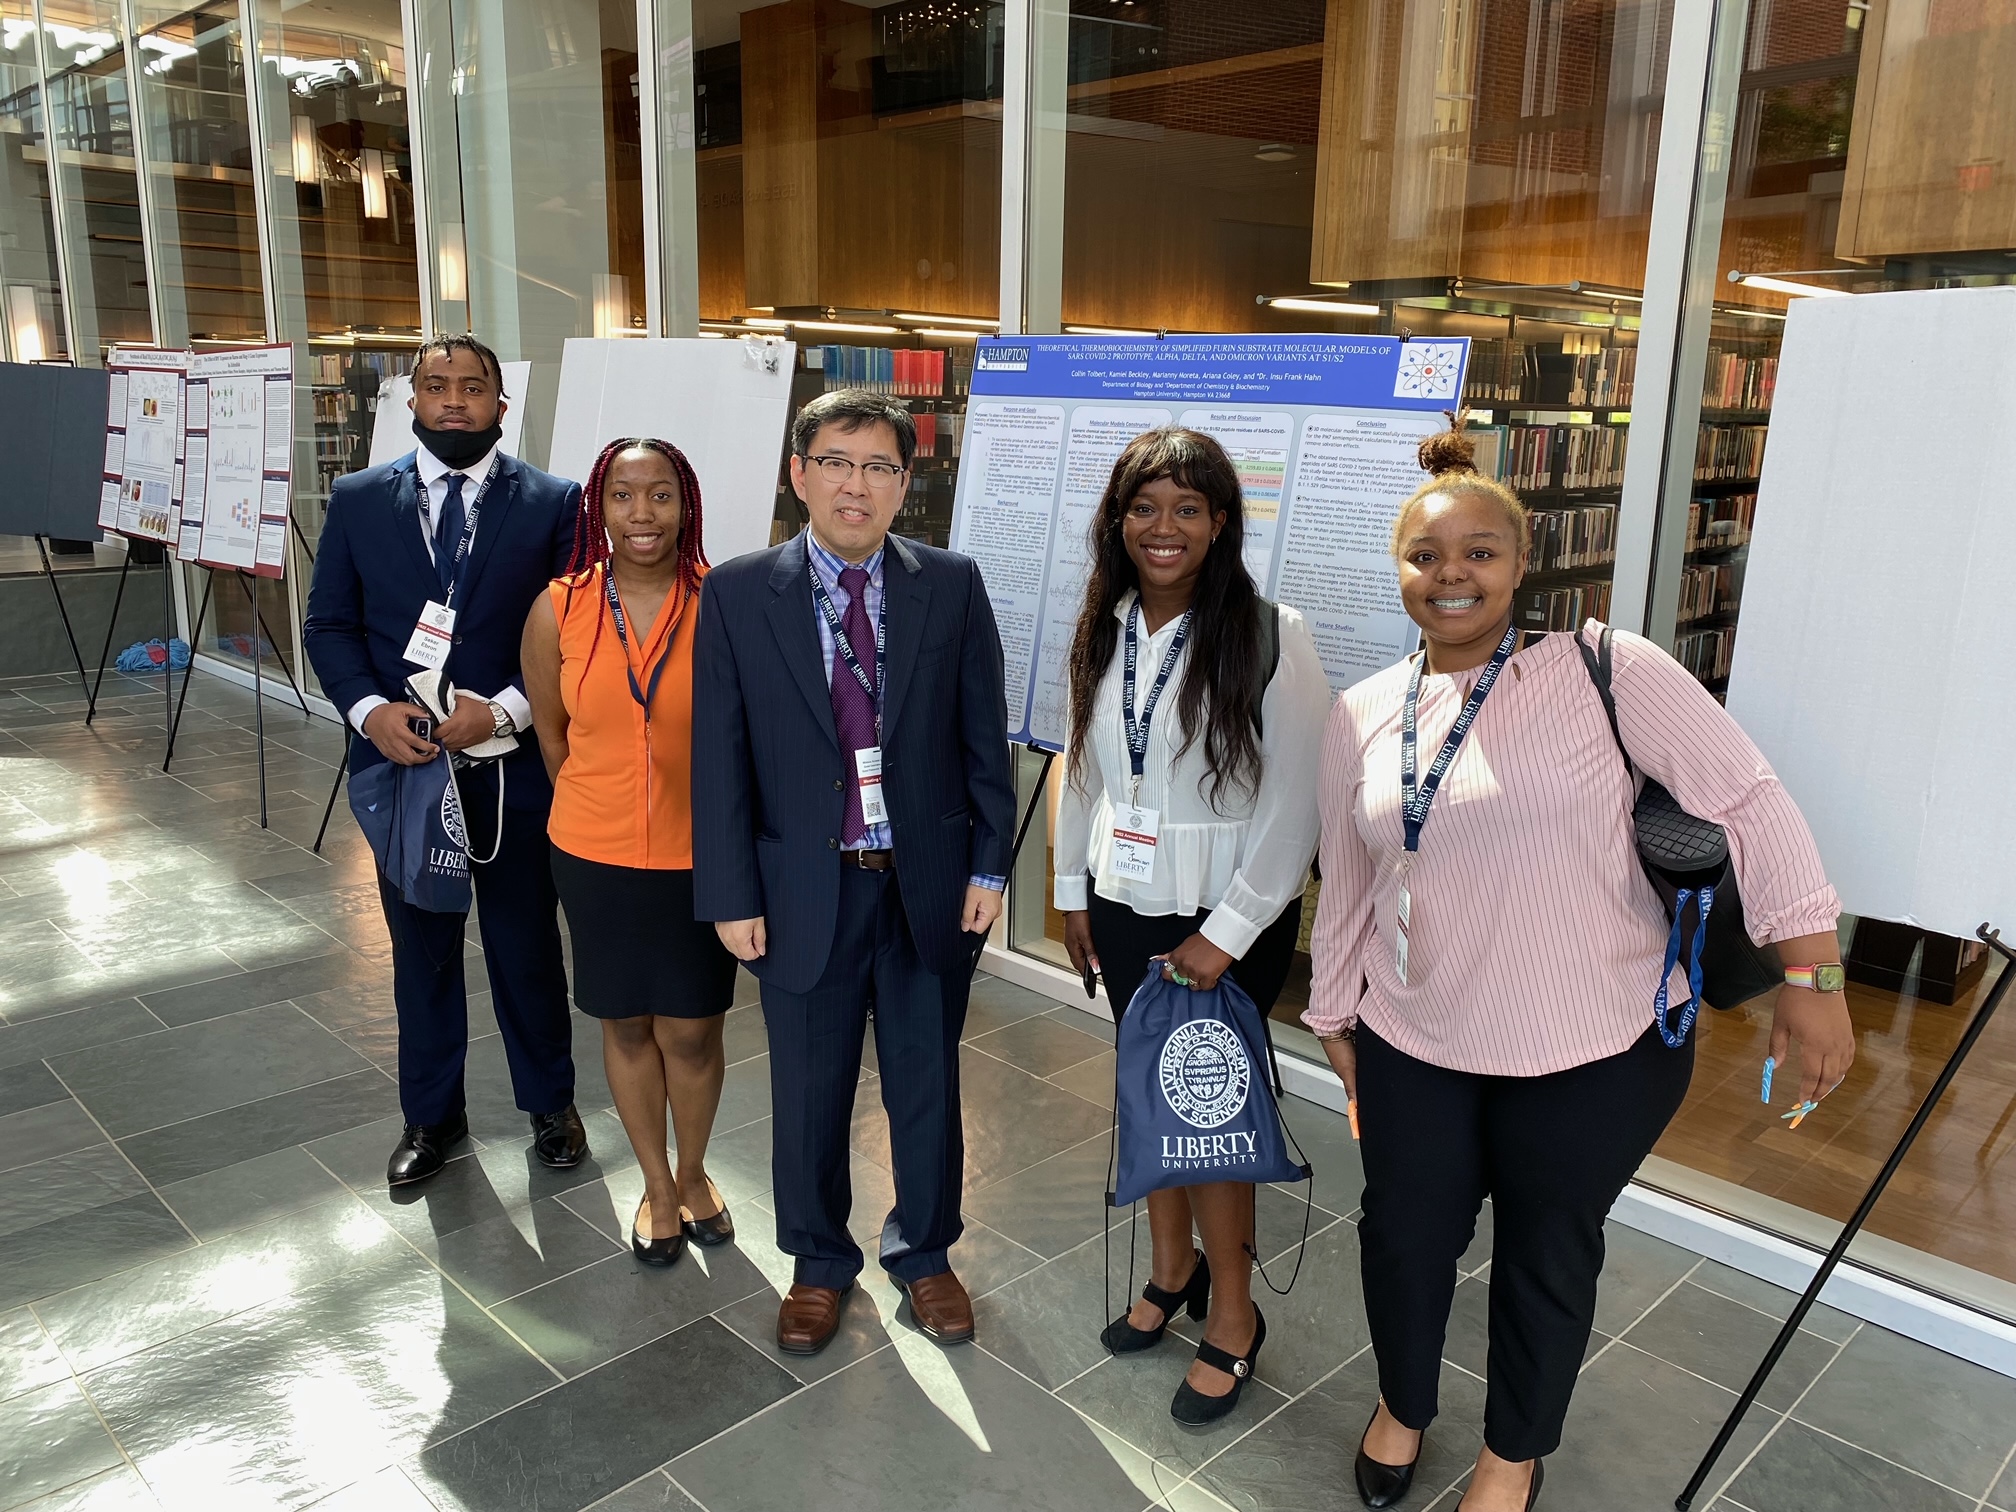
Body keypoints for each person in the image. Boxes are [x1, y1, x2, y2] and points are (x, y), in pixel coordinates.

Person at [1307, 428, 1855, 1512]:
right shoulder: (1363, 710)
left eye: (1479, 553)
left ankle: (1512, 1454)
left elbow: (1750, 800)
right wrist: (1335, 1012)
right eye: (1426, 556)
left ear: (1521, 563)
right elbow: (1350, 872)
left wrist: (1814, 976)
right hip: (1417, 1034)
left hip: (1596, 1040)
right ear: (1399, 568)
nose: (1452, 575)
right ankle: (1403, 1404)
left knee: (1547, 1254)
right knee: (1403, 1239)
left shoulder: (1608, 670)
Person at [692, 387, 1016, 1356]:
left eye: (879, 467)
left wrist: (990, 868)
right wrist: (731, 894)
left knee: (927, 1084)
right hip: (802, 888)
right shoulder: (739, 593)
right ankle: (817, 1263)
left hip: (923, 886)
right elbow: (720, 756)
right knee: (809, 1090)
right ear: (799, 474)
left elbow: (983, 740)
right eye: (836, 462)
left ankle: (926, 1253)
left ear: (906, 485)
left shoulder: (949, 584)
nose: (855, 486)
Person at [1054, 427, 1331, 1425]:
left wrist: (1231, 931)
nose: (1162, 527)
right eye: (1143, 507)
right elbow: (1084, 767)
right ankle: (1174, 1271)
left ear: (1219, 522)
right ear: (1118, 521)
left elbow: (1297, 803)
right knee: (1148, 1097)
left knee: (1210, 1120)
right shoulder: (1107, 624)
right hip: (1126, 905)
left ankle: (1236, 1318)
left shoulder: (1270, 634)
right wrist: (1073, 887)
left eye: (1186, 508)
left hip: (1221, 920)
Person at [304, 333, 588, 1187]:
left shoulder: (554, 503)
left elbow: (575, 633)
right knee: (421, 948)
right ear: (413, 401)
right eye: (437, 386)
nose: (454, 401)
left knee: (525, 944)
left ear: (502, 403)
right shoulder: (359, 500)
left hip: (512, 766)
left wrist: (503, 709)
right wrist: (369, 712)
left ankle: (550, 1103)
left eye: (472, 387)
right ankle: (431, 1116)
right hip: (405, 768)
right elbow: (330, 626)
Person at [522, 438, 739, 1267]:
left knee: (692, 1030)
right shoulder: (559, 607)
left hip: (700, 855)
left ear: (686, 506)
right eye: (622, 495)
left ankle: (694, 1172)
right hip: (594, 854)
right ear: (598, 507)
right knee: (625, 1023)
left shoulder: (723, 602)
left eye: (660, 495)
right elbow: (552, 735)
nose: (641, 513)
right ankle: (655, 1185)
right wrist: (602, 806)